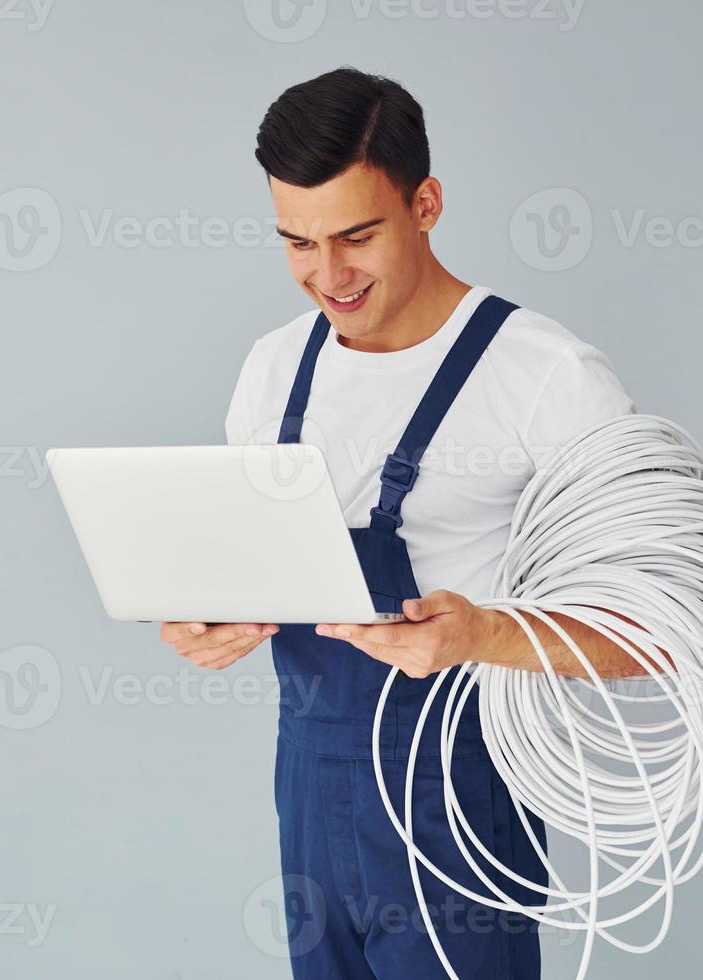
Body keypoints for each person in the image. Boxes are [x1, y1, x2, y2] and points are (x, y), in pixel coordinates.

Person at [161, 66, 655, 980]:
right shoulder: (272, 372)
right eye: (297, 243)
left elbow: (657, 637)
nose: (329, 274)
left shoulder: (546, 375)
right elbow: (238, 571)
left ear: (425, 203)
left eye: (357, 235)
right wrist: (205, 618)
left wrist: (486, 634)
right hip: (309, 791)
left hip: (459, 801)